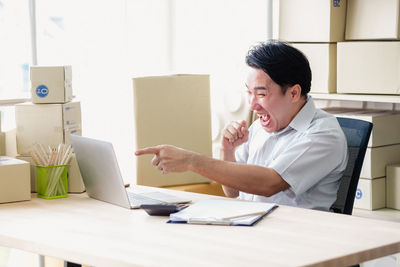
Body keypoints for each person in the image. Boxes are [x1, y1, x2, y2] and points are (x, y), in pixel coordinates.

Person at [135, 40, 348, 211]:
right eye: (249, 92)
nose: (253, 105)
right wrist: (227, 150)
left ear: (293, 93)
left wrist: (191, 161)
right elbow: (232, 192)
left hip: (294, 243)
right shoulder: (260, 128)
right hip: (251, 230)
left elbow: (268, 184)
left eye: (261, 94)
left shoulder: (324, 134)